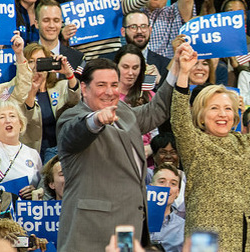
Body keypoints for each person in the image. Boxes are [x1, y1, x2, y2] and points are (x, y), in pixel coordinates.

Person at [171, 40, 250, 250]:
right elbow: (178, 118)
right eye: (214, 108)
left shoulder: (244, 142)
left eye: (228, 109)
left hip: (247, 240)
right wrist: (184, 72)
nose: (223, 114)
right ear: (201, 116)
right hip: (207, 242)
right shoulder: (193, 142)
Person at [56, 45, 178, 250]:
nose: (110, 92)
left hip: (128, 230)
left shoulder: (122, 110)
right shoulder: (73, 116)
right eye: (102, 85)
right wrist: (95, 120)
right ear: (84, 88)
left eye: (114, 84)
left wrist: (176, 71)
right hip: (92, 234)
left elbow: (155, 111)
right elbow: (74, 134)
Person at [20, 43, 80, 160]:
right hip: (31, 153)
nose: (36, 65)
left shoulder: (61, 86)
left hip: (60, 152)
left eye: (41, 60)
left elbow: (76, 102)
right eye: (31, 61)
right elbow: (28, 120)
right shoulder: (18, 92)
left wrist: (69, 74)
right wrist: (32, 91)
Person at [98, 10, 170, 86]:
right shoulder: (105, 62)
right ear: (123, 32)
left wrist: (160, 81)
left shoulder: (165, 64)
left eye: (143, 26)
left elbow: (169, 96)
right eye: (133, 27)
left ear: (150, 30)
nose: (139, 31)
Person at [34, 0, 85, 72]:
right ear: (36, 24)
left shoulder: (77, 58)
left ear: (61, 23)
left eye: (56, 20)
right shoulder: (25, 55)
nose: (51, 25)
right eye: (46, 20)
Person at [149, 163, 184, 252]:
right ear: (151, 187)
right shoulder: (135, 221)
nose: (167, 187)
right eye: (162, 182)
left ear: (177, 192)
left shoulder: (185, 228)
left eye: (173, 183)